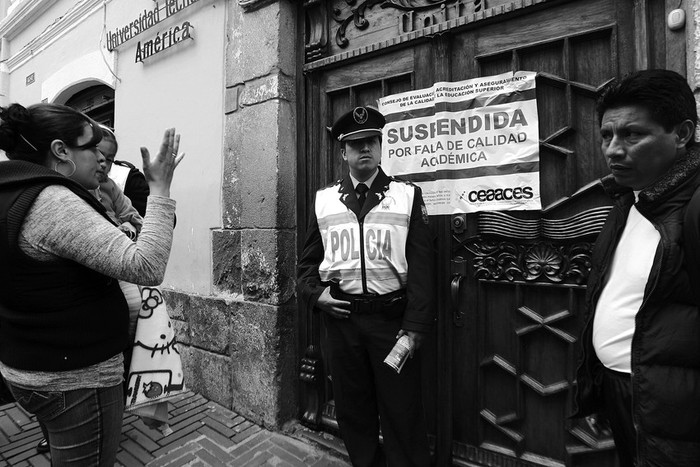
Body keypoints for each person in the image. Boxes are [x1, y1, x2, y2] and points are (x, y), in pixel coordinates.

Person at [0, 102, 183, 466]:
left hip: (25, 366)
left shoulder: (10, 189)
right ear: (61, 151)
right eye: (92, 149)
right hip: (75, 379)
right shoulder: (52, 201)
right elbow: (145, 266)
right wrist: (160, 188)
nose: (101, 160)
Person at [573, 69, 700, 466]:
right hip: (625, 392)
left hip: (675, 411)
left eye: (632, 135)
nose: (613, 150)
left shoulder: (695, 206)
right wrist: (599, 388)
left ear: (681, 134)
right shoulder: (629, 201)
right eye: (606, 136)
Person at [297, 106, 435, 466]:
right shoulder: (324, 200)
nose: (365, 149)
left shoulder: (406, 195)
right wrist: (316, 296)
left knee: (402, 410)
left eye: (372, 141)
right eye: (356, 144)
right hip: (342, 323)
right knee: (353, 410)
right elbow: (306, 267)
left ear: (380, 146)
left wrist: (416, 326)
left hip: (392, 324)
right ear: (343, 151)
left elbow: (422, 267)